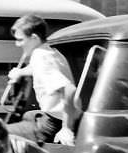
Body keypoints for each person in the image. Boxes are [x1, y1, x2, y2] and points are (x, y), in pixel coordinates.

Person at [5, 14, 78, 146]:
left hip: (54, 121)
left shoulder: (40, 57)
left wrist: (67, 128)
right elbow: (38, 69)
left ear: (34, 38)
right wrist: (20, 72)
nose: (17, 44)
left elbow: (70, 90)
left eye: (20, 40)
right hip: (53, 117)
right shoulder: (49, 52)